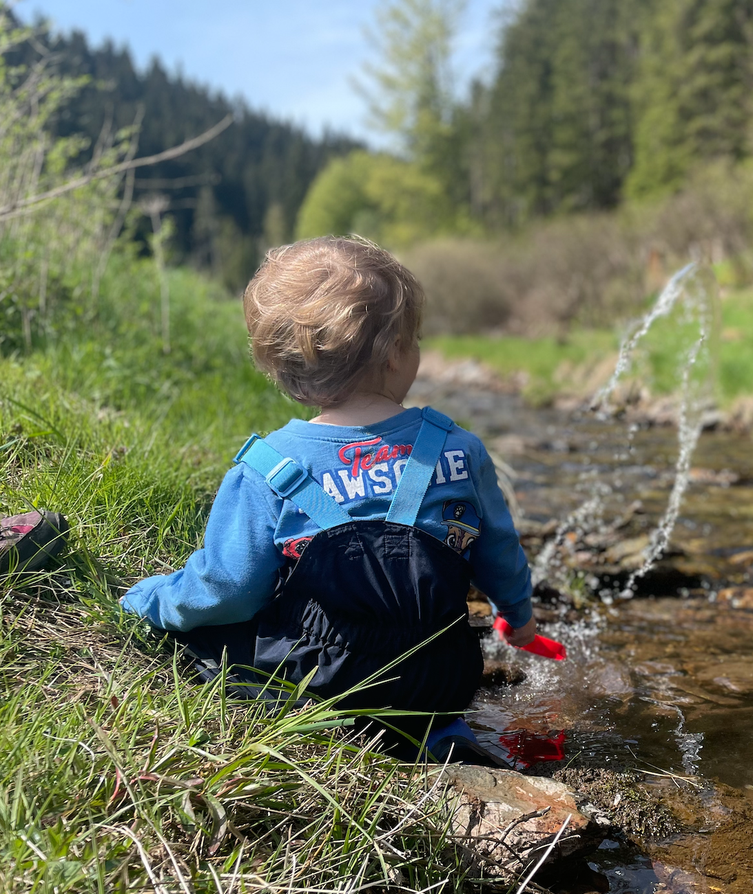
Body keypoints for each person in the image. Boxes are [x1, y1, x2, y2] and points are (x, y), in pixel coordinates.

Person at [121, 236, 543, 765]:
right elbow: (499, 551)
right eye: (416, 339)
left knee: (207, 642)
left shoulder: (268, 468)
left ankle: (330, 733)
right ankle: (437, 732)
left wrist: (151, 601)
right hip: (441, 676)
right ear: (394, 355)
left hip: (323, 683)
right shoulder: (458, 448)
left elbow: (228, 589)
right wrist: (519, 618)